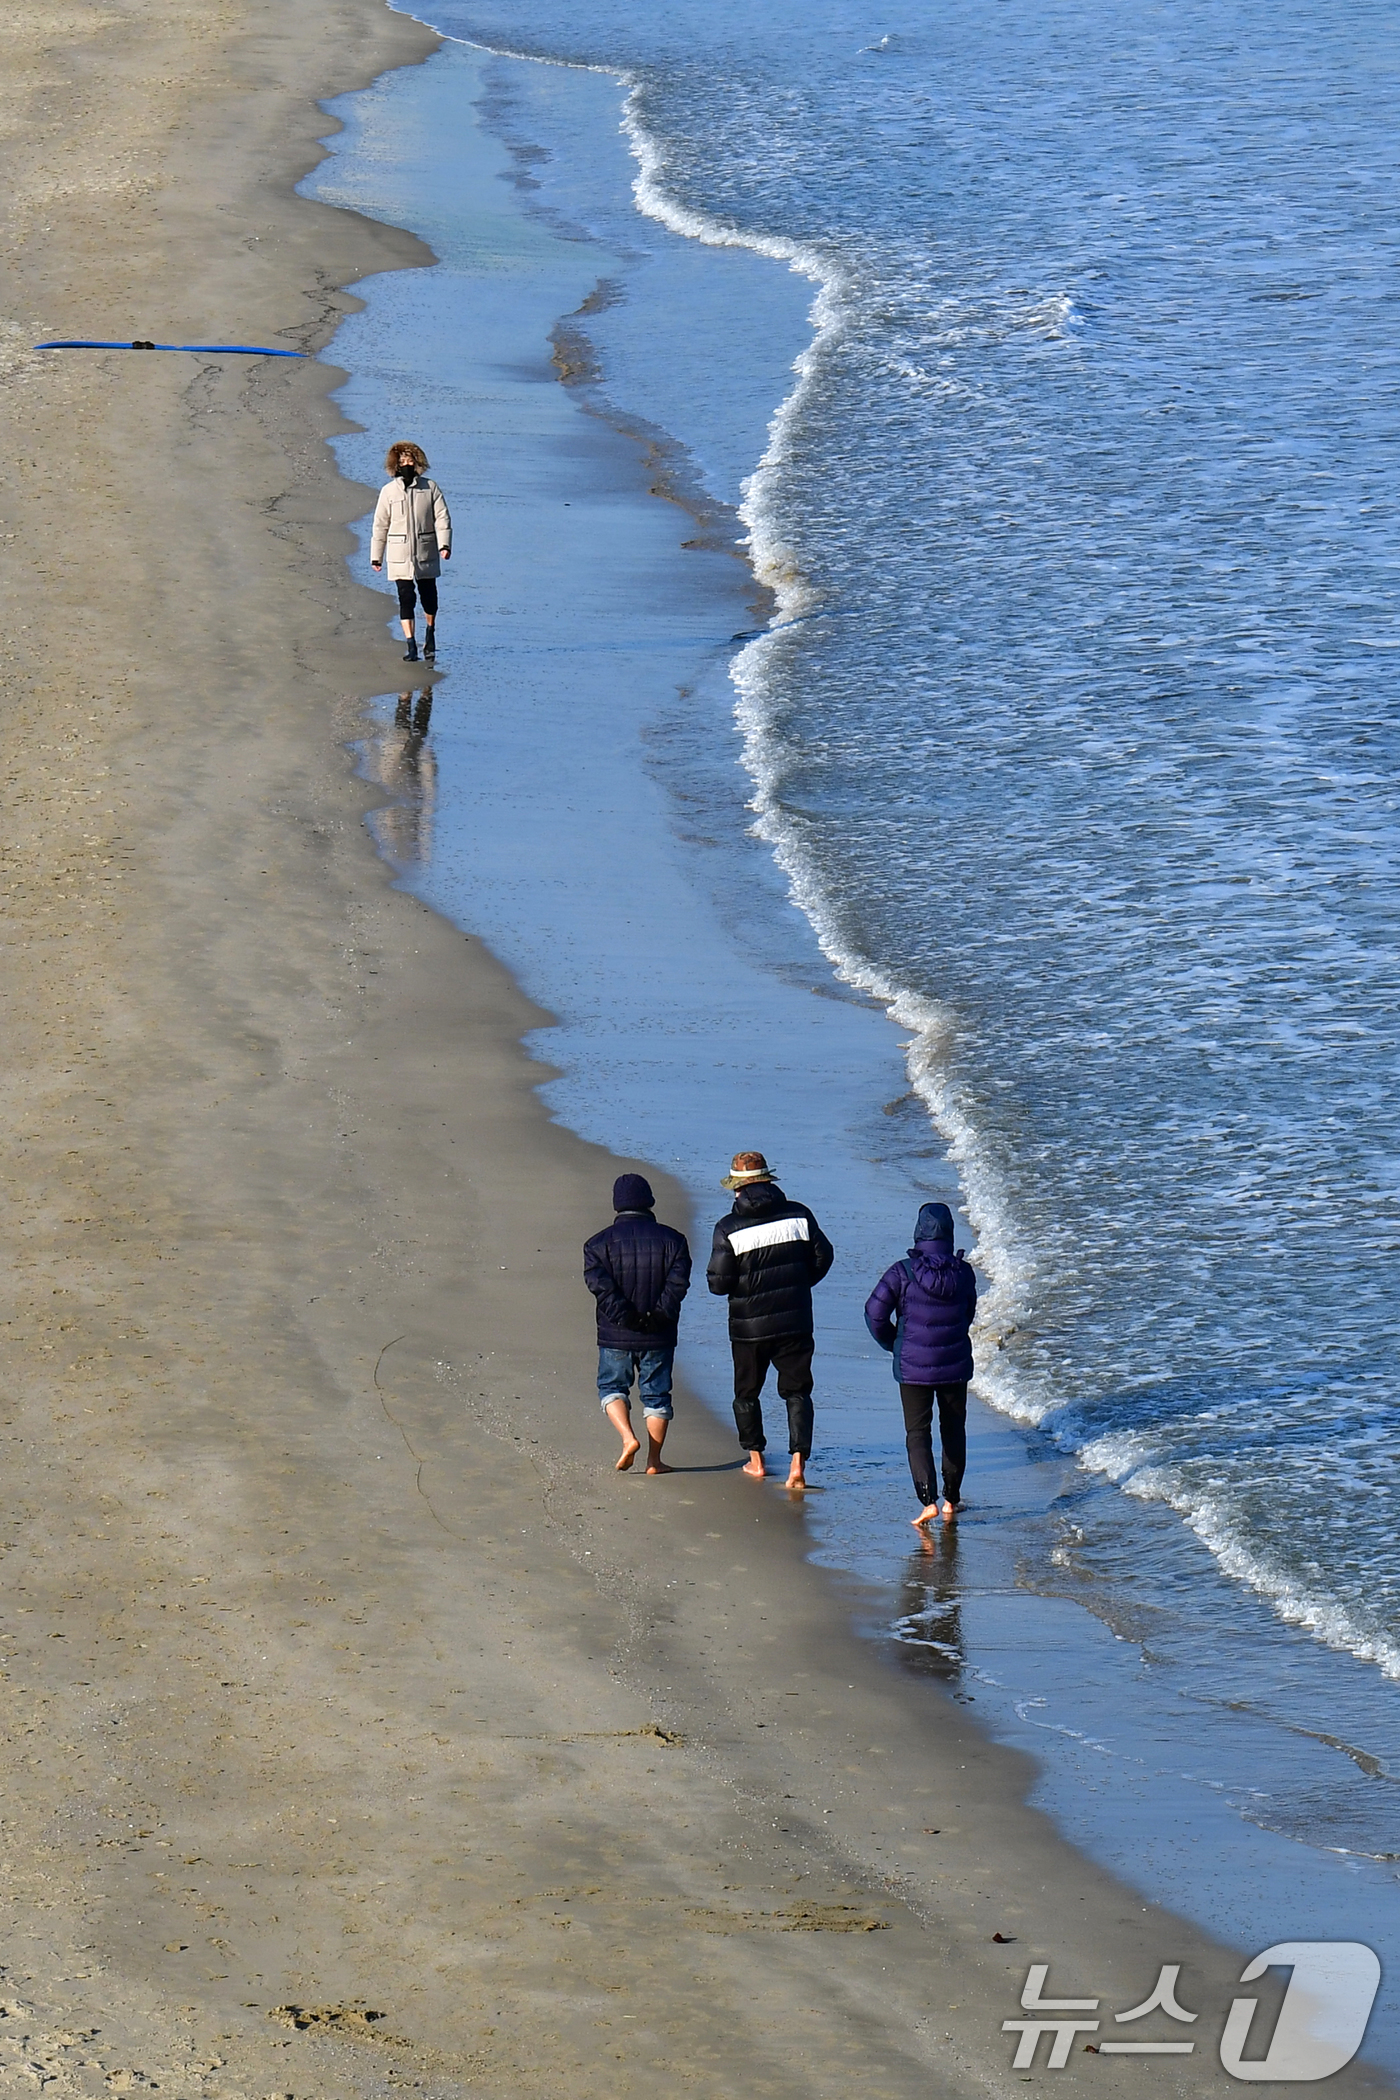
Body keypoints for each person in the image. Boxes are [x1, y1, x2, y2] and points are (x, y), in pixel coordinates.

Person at [707, 1152, 833, 1490]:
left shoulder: (727, 1228)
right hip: (795, 1320)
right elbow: (824, 1256)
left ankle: (756, 1461)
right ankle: (797, 1465)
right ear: (769, 1182)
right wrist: (799, 1283)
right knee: (797, 1392)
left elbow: (717, 1284)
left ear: (739, 1189)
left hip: (749, 1328)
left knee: (747, 1392)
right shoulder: (799, 1214)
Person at [864, 1201, 977, 1527]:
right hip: (954, 1364)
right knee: (953, 1429)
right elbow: (968, 1313)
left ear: (918, 1233)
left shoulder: (902, 1272)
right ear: (950, 1234)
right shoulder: (964, 1272)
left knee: (918, 1432)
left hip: (913, 1367)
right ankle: (952, 1500)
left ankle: (928, 1500)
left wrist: (894, 1344)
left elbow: (874, 1314)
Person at [584, 1173, 691, 1474]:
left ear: (617, 1205)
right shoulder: (674, 1241)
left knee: (611, 1387)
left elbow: (601, 1288)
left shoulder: (596, 1244)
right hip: (659, 1333)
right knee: (656, 1394)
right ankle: (654, 1461)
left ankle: (628, 1438)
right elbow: (677, 1285)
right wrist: (657, 1315)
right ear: (649, 1202)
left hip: (615, 1333)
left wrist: (626, 1317)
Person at [370, 441, 452, 663]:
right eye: (402, 461)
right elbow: (380, 525)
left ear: (417, 463)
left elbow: (442, 517)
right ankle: (411, 644)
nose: (406, 464)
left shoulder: (430, 488)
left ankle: (430, 632)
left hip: (426, 551)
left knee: (429, 597)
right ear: (395, 465)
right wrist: (376, 556)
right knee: (406, 598)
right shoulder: (388, 492)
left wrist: (445, 545)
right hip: (399, 554)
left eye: (410, 460)